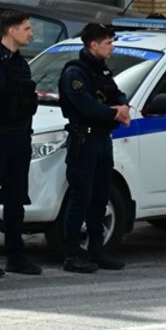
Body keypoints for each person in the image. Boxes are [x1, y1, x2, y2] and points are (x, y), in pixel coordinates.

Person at [0, 11, 42, 277]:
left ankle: (16, 256)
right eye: (26, 28)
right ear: (11, 31)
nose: (31, 33)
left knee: (16, 201)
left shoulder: (20, 63)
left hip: (19, 140)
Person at [58, 23, 130, 274]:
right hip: (84, 141)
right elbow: (86, 105)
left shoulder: (101, 70)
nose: (112, 47)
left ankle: (97, 250)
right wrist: (115, 114)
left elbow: (116, 93)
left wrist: (123, 106)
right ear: (93, 44)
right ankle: (72, 254)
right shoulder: (75, 73)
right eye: (108, 43)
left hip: (102, 139)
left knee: (101, 196)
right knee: (81, 197)